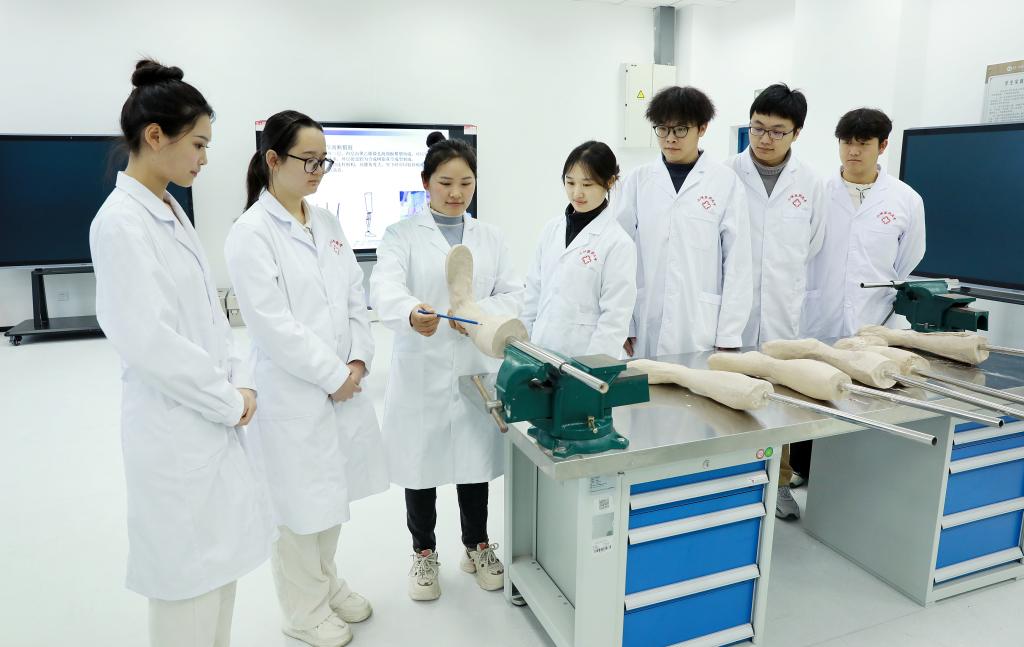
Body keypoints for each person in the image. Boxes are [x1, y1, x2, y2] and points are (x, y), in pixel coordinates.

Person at [89, 59, 274, 647]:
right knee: (186, 590)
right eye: (198, 144)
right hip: (175, 430)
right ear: (155, 136)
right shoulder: (122, 224)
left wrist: (238, 383)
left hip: (208, 420)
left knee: (217, 576)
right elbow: (149, 341)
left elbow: (210, 322)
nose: (204, 158)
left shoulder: (169, 208)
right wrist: (229, 399)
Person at [224, 110, 389, 647]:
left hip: (341, 386)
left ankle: (325, 583)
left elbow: (355, 297)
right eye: (308, 160)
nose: (318, 171)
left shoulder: (328, 223)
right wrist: (333, 375)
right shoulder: (250, 234)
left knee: (331, 495)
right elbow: (273, 326)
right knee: (298, 506)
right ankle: (303, 610)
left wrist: (358, 361)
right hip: (292, 393)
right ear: (273, 159)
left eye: (324, 161)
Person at [369, 132, 523, 601]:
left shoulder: (490, 237)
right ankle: (424, 552)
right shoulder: (401, 235)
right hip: (423, 363)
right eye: (445, 183)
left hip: (473, 362)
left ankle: (477, 545)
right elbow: (384, 287)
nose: (456, 193)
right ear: (426, 183)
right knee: (421, 466)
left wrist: (476, 312)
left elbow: (515, 293)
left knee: (474, 463)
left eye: (465, 183)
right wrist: (411, 311)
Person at [726, 83, 826, 520]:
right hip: (733, 310)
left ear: (796, 133)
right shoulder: (725, 175)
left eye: (777, 131)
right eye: (757, 128)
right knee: (729, 397)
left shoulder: (811, 183)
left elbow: (814, 242)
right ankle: (732, 483)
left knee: (780, 401)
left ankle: (780, 483)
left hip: (785, 310)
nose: (764, 139)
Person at [616, 85, 752, 358]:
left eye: (680, 129)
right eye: (662, 129)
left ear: (702, 128)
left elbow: (738, 262)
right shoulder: (637, 181)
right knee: (646, 382)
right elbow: (619, 255)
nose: (670, 138)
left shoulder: (724, 182)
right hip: (644, 318)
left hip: (700, 323)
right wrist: (623, 322)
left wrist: (729, 333)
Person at [802, 108, 926, 339]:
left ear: (883, 146)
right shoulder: (816, 192)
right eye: (846, 142)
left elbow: (909, 257)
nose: (853, 151)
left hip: (875, 315)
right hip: (820, 315)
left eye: (863, 143)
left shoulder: (907, 199)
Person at [520, 140, 636, 358]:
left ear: (609, 182)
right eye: (570, 182)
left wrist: (591, 369)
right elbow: (533, 295)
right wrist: (523, 348)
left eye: (587, 184)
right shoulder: (551, 230)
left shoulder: (618, 243)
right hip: (540, 351)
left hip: (583, 361)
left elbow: (614, 319)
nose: (577, 193)